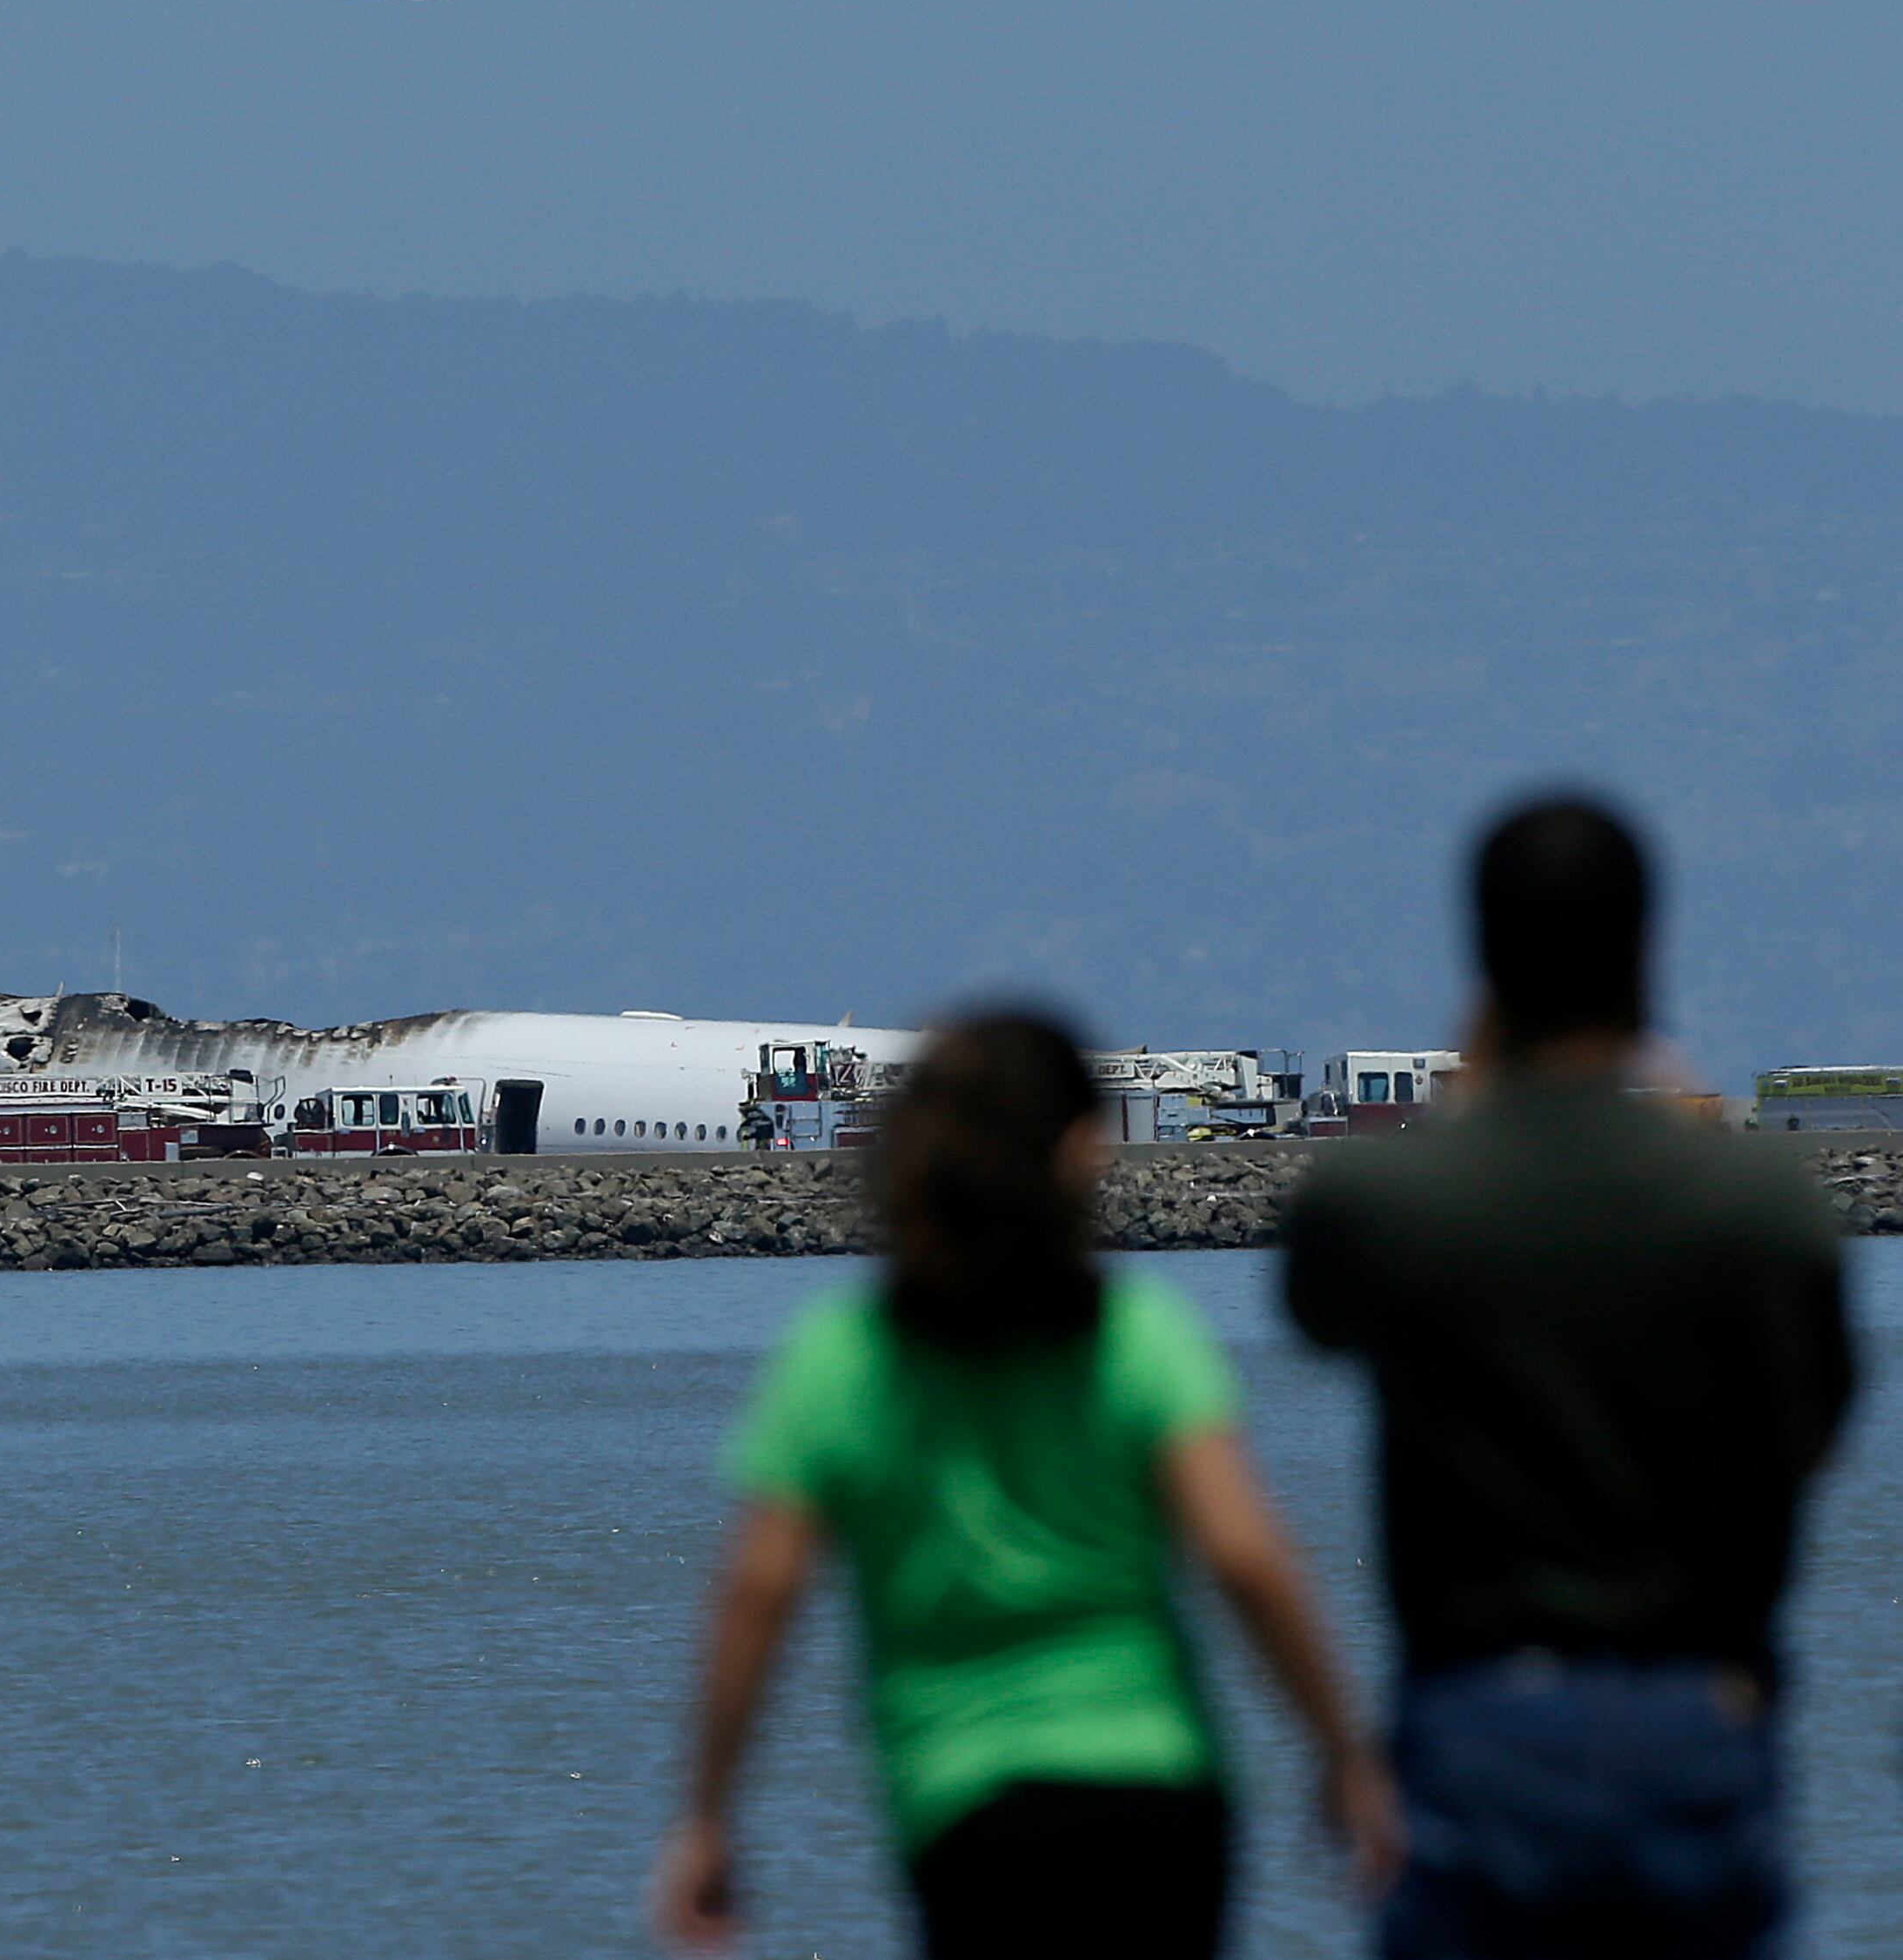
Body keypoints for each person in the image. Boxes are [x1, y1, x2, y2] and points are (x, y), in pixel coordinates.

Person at [655, 1012, 1399, 1957]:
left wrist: (710, 1815)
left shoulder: (840, 1363)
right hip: (1159, 1795)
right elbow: (1243, 1557)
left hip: (970, 1805)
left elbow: (761, 1592)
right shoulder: (1141, 1338)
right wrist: (1342, 1753)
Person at [1284, 796, 1855, 1958]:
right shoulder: (1762, 1211)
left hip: (1481, 1723)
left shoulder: (1390, 1205)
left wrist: (1462, 1097)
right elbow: (1815, 1423)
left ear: (1484, 962)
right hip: (1697, 1713)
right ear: (1646, 952)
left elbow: (1316, 1305)